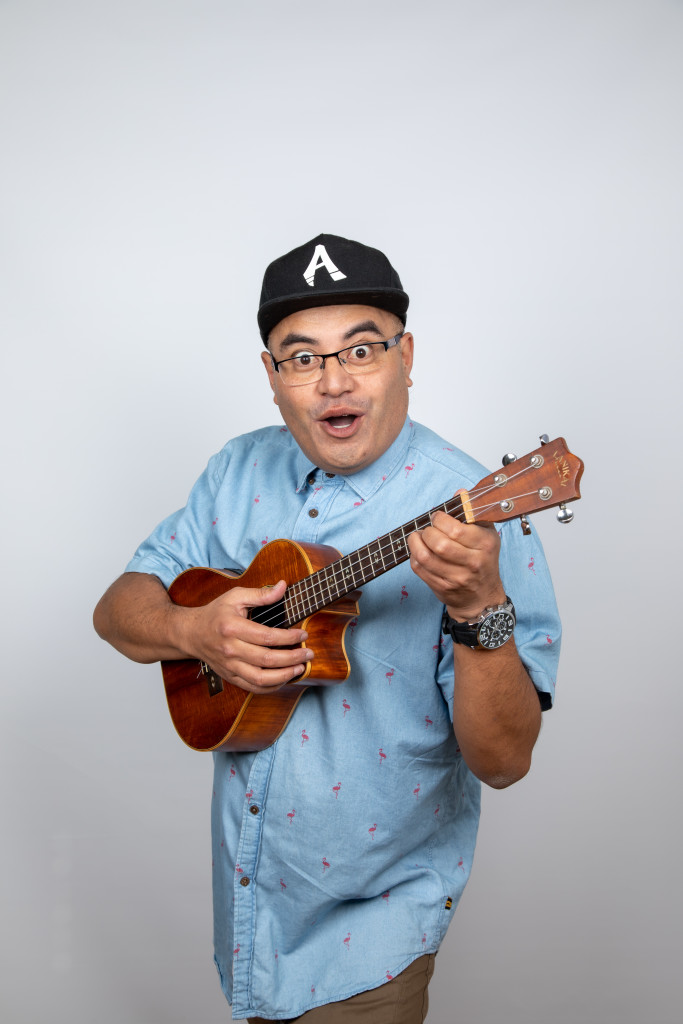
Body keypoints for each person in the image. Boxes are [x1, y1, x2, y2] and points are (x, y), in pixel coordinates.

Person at [94, 233, 560, 1023]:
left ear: (406, 356)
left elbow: (505, 761)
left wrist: (477, 609)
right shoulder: (237, 470)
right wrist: (193, 630)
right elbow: (117, 610)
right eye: (302, 357)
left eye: (362, 350)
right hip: (249, 920)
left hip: (371, 936)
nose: (334, 381)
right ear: (271, 375)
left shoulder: (479, 512)